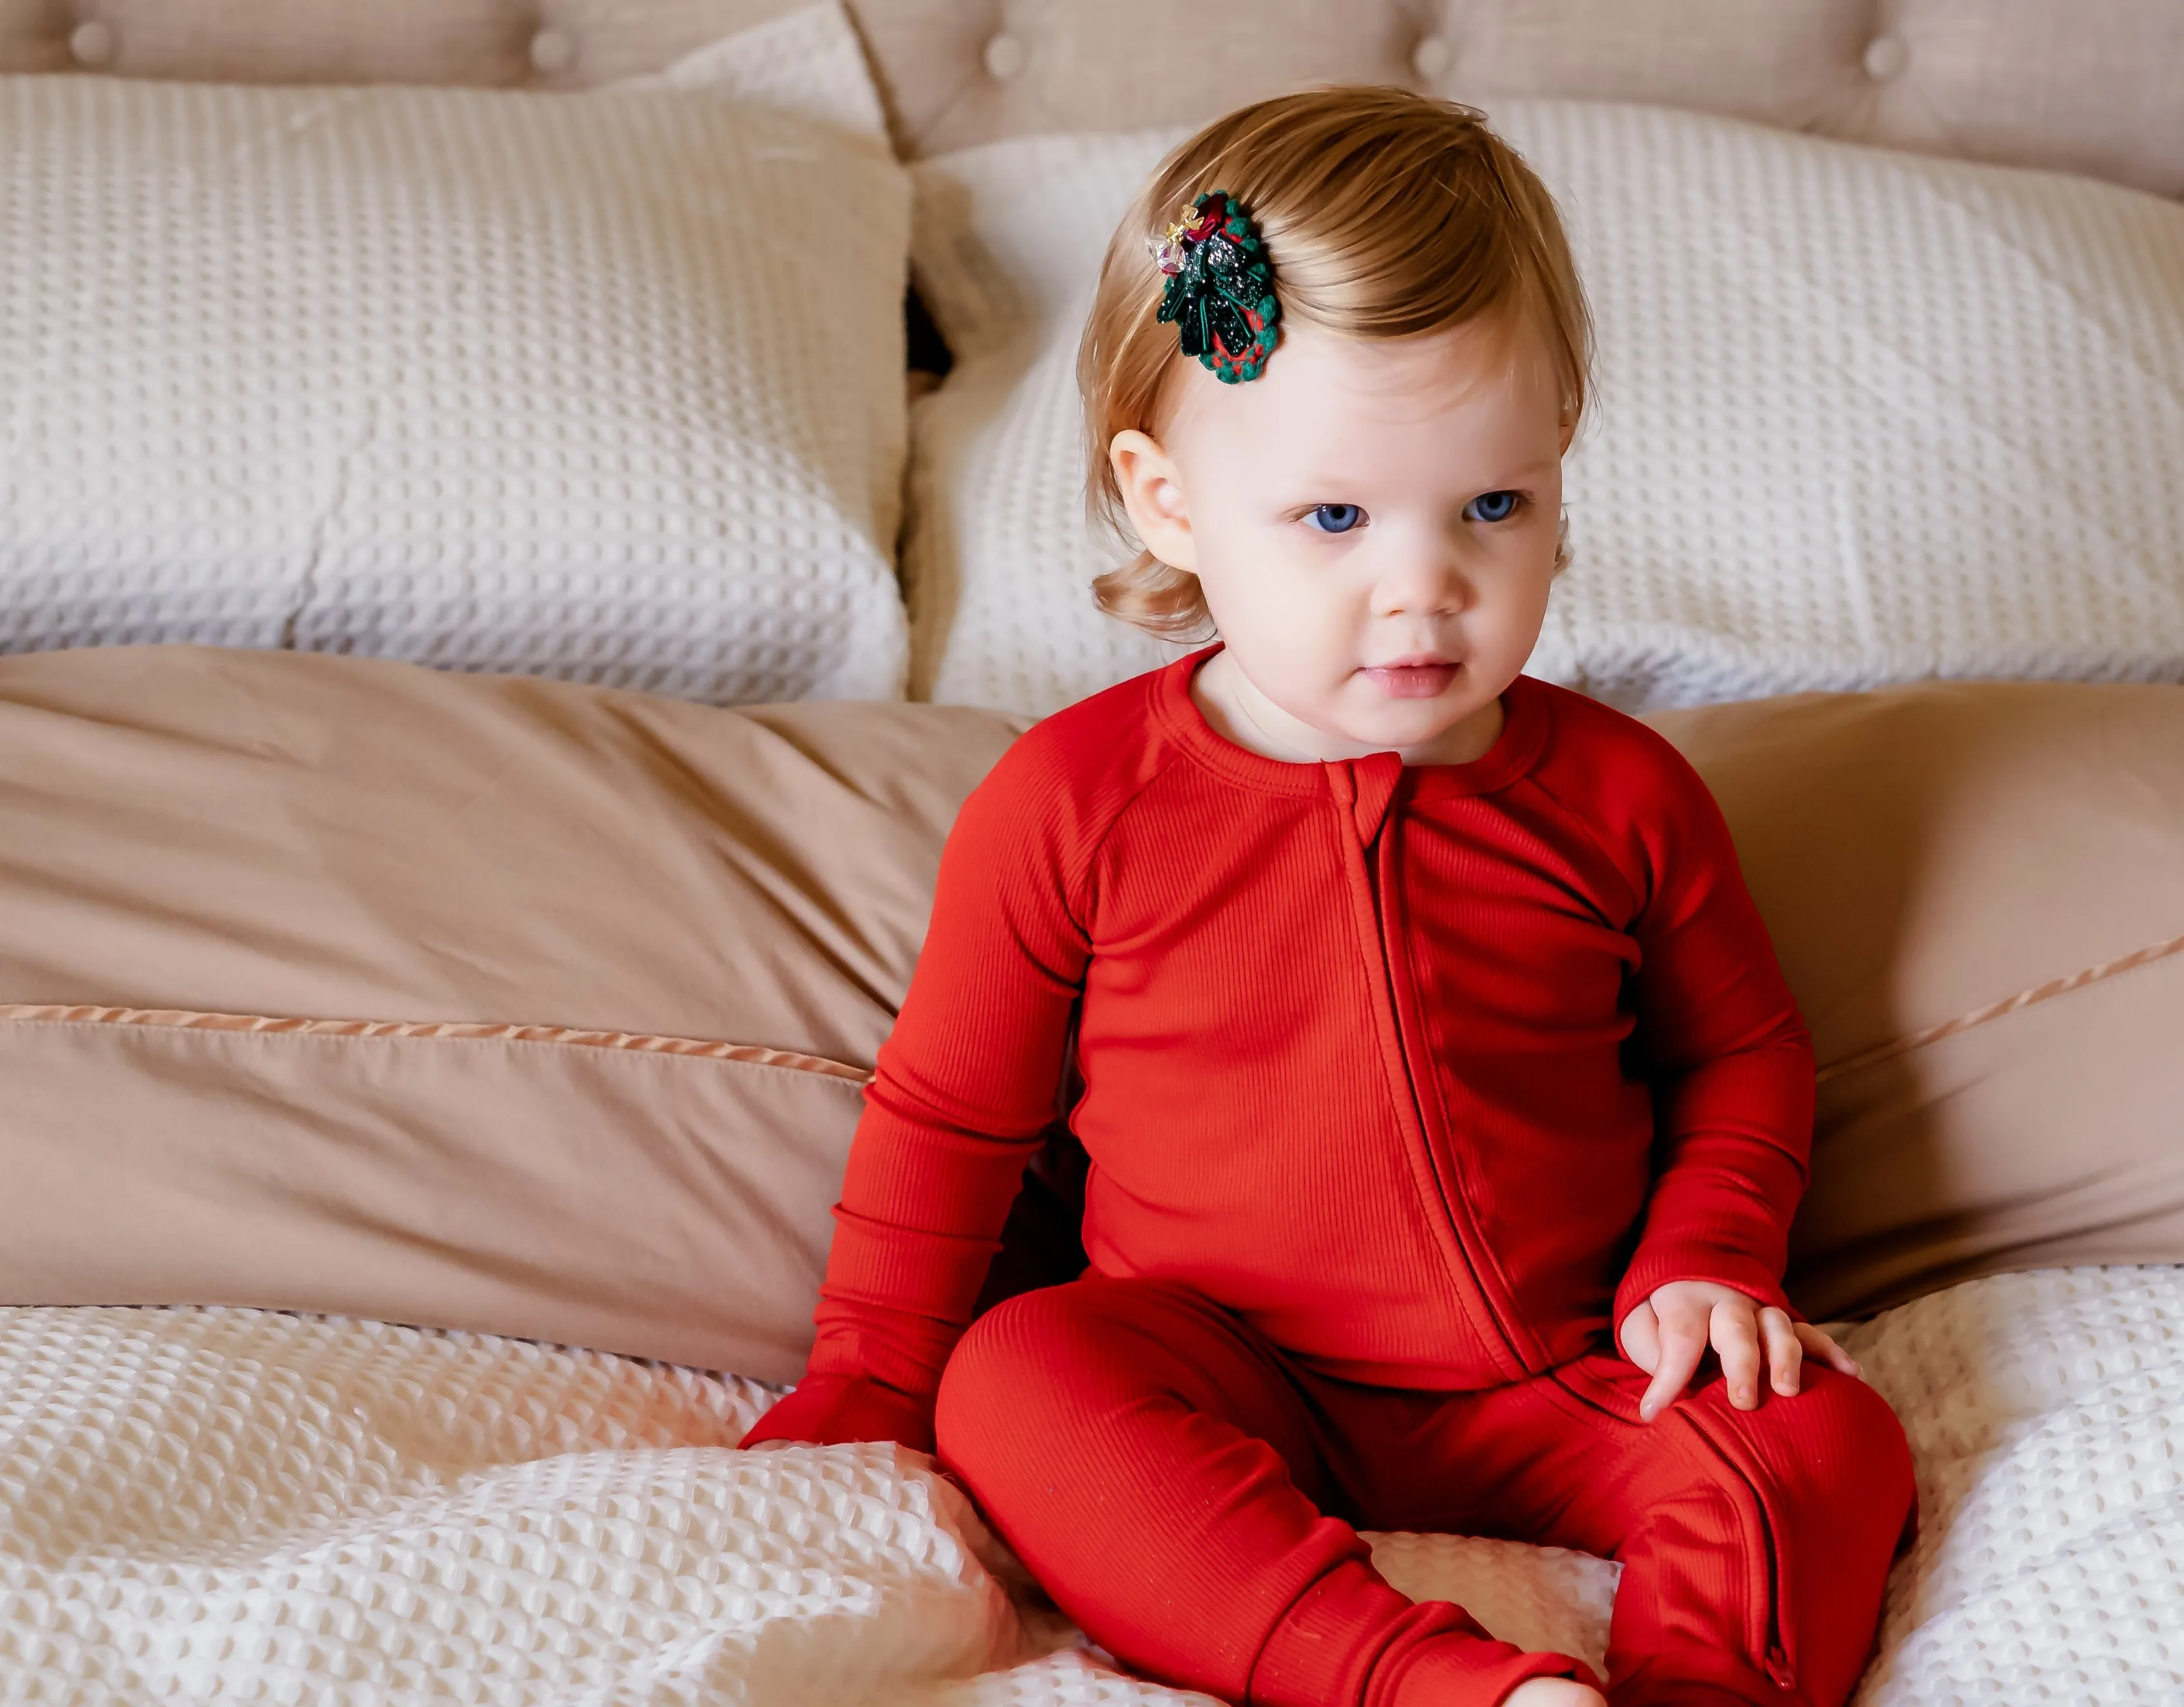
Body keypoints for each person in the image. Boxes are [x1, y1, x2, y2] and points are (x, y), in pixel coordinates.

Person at [743, 87, 1914, 1707]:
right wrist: (869, 1382)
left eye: (1492, 506)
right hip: (1226, 1366)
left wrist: (1711, 1261)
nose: (1424, 585)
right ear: (1171, 502)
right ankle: (1429, 1686)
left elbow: (1740, 1057)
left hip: (1571, 1368)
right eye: (1338, 518)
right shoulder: (1077, 804)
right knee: (1018, 1381)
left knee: (1823, 1433)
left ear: (1559, 465)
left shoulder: (1625, 797)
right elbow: (950, 1119)